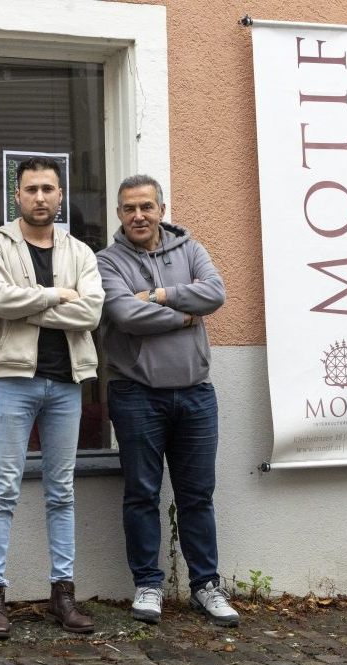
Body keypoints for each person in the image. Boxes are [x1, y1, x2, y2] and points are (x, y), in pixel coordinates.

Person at [96, 174, 240, 627]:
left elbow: (215, 293)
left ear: (161, 209)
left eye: (146, 207)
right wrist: (185, 317)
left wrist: (160, 295)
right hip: (136, 394)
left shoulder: (190, 249)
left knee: (197, 495)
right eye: (129, 208)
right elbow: (124, 313)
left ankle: (206, 586)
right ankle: (148, 584)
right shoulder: (107, 261)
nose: (138, 215)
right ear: (119, 214)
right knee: (141, 494)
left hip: (196, 393)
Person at [0, 157, 104, 639]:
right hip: (14, 380)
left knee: (61, 491)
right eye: (31, 189)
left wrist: (28, 305)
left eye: (48, 188)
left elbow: (91, 313)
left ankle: (62, 594)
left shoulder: (80, 252)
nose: (40, 197)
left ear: (60, 195)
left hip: (67, 383)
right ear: (17, 195)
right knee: (4, 488)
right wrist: (55, 295)